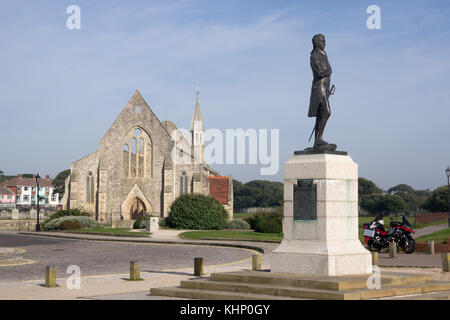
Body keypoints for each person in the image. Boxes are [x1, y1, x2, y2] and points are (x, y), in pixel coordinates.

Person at [308, 34, 333, 148]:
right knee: (326, 112)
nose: (325, 42)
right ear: (316, 42)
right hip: (319, 88)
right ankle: (318, 140)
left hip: (324, 87)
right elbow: (321, 71)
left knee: (321, 113)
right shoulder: (314, 55)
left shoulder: (323, 54)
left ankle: (318, 140)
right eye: (323, 40)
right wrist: (329, 70)